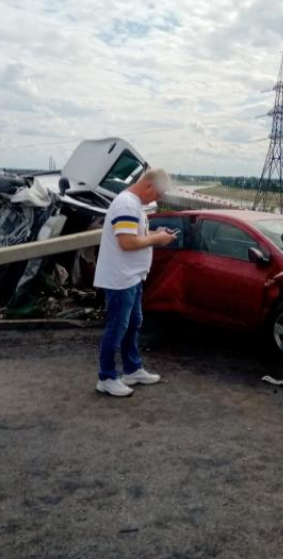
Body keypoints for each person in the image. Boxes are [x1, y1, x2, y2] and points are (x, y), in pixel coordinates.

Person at [94, 169, 177, 397]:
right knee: (117, 327)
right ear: (148, 184)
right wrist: (158, 239)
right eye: (158, 193)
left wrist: (156, 233)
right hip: (120, 279)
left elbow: (135, 235)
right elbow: (127, 243)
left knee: (132, 323)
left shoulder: (134, 205)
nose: (157, 199)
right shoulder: (127, 205)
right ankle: (107, 377)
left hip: (132, 277)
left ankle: (132, 369)